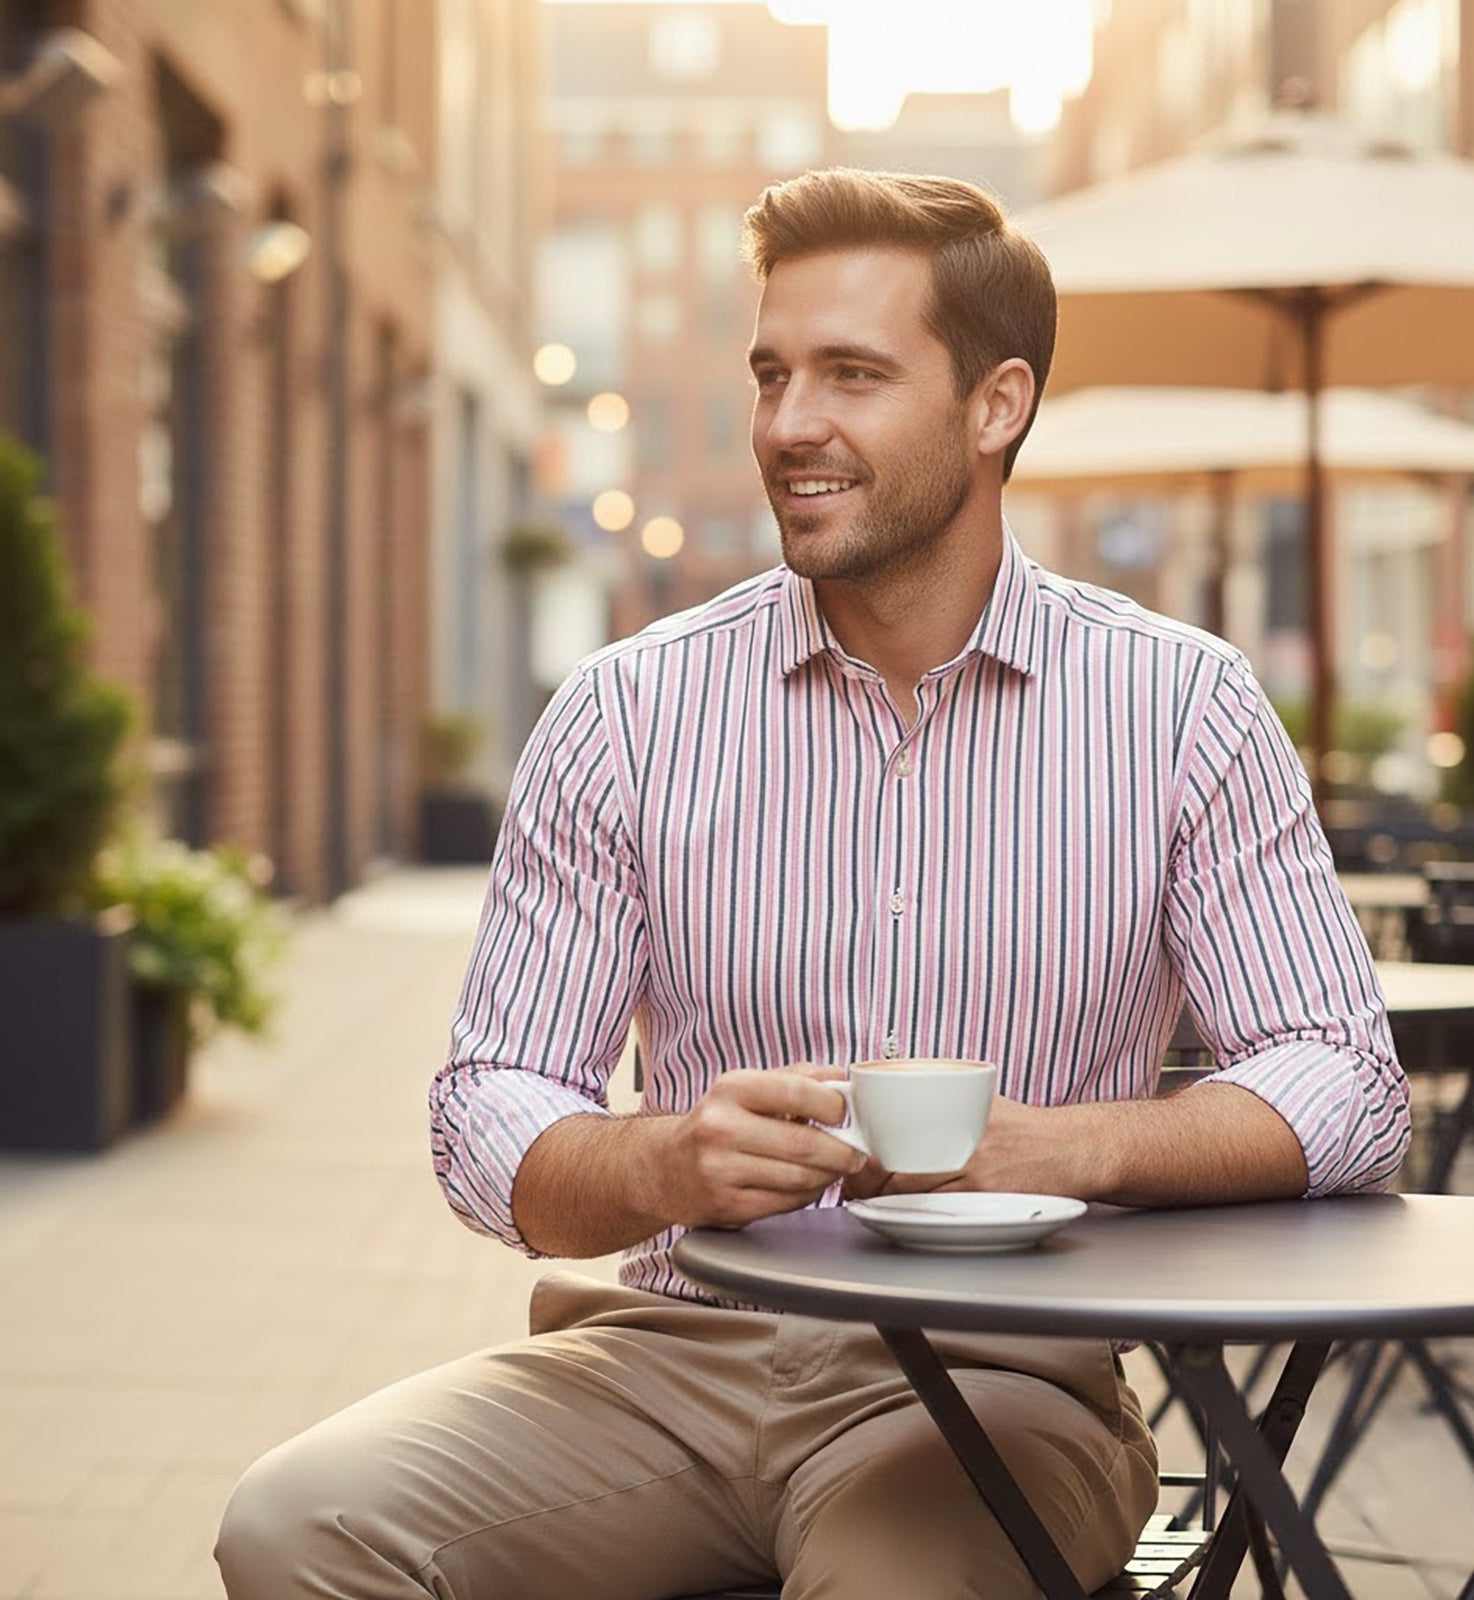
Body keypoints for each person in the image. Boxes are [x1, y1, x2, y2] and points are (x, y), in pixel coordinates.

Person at [216, 168, 1410, 1599]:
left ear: (996, 405)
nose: (790, 426)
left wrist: (1065, 1151)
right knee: (298, 1527)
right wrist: (664, 1163)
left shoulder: (1182, 709)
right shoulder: (626, 713)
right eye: (772, 374)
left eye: (851, 374)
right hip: (671, 1351)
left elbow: (1349, 1080)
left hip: (1004, 1386)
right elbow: (489, 1104)